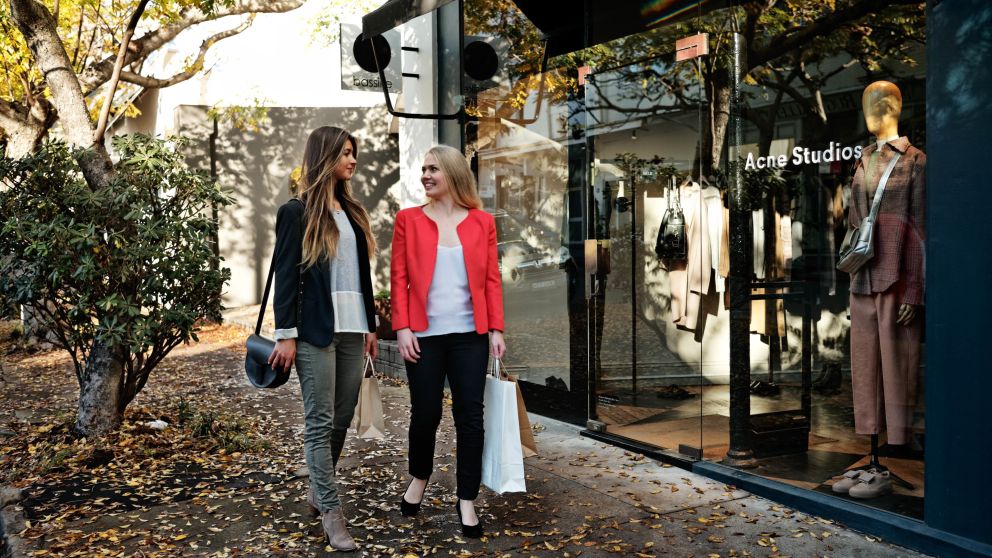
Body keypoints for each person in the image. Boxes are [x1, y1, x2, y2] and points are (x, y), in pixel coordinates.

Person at [268, 126, 378, 551]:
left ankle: (319, 486)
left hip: (352, 328)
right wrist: (286, 335)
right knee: (320, 420)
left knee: (344, 412)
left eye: (354, 153)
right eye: (346, 153)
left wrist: (369, 324)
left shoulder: (352, 212)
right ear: (326, 155)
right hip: (314, 331)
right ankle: (332, 514)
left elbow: (362, 277)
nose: (352, 160)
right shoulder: (295, 212)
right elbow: (284, 276)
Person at [390, 145, 506, 538]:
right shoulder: (407, 220)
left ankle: (467, 499)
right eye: (423, 169)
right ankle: (419, 478)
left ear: (453, 174)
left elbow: (491, 279)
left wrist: (496, 329)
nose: (425, 175)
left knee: (470, 418)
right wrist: (402, 327)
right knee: (425, 414)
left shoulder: (482, 223)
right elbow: (399, 277)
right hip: (423, 336)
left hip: (470, 337)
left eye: (433, 169)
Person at [835, 81, 926, 499]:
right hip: (863, 278)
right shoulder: (862, 160)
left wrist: (914, 290)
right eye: (865, 103)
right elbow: (854, 221)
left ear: (895, 105)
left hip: (896, 276)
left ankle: (890, 456)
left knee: (897, 367)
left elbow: (920, 230)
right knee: (865, 369)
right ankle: (869, 454)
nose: (870, 111)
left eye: (878, 102)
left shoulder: (914, 161)